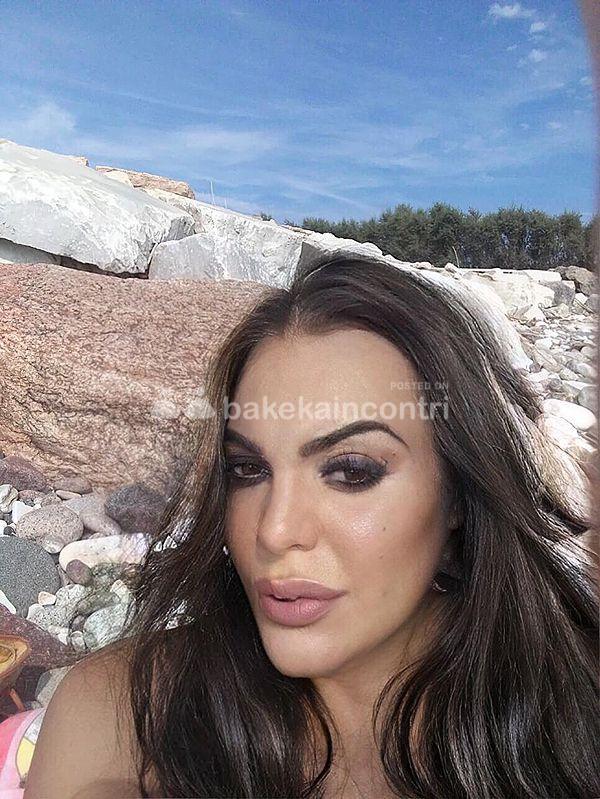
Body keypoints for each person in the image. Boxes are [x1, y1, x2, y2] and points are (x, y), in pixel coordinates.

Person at [24, 255, 599, 799]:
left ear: (459, 495)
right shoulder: (120, 716)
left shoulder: (577, 709)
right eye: (247, 470)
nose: (274, 532)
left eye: (351, 472)